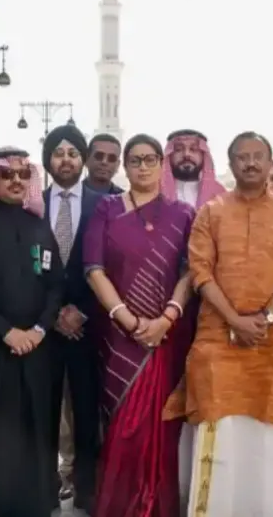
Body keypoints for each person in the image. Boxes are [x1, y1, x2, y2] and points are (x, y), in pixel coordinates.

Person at [172, 132, 273, 515]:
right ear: (231, 164)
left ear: (269, 163)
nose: (250, 163)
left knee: (271, 438)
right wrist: (234, 320)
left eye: (258, 157)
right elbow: (200, 272)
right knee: (222, 433)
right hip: (219, 342)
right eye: (242, 157)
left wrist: (263, 319)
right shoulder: (211, 212)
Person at [83, 134, 197, 516]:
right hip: (118, 335)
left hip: (166, 336)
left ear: (161, 165)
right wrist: (125, 318)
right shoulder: (106, 210)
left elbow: (189, 272)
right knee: (122, 422)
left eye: (150, 159)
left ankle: (156, 505)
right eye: (135, 160)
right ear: (126, 166)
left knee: (159, 426)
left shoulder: (182, 213)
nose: (143, 166)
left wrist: (167, 318)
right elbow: (94, 269)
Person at [0, 148, 63, 516]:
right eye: (7, 174)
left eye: (23, 174)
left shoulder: (38, 225)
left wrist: (37, 329)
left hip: (34, 349)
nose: (16, 181)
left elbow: (55, 285)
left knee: (31, 427)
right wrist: (6, 332)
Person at [41, 124, 104, 511]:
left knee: (86, 411)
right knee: (44, 412)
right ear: (48, 160)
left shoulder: (105, 204)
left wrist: (82, 311)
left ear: (83, 159)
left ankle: (87, 489)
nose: (65, 159)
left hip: (88, 326)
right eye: (58, 152)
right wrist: (52, 314)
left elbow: (111, 265)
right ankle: (43, 487)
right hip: (44, 329)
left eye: (72, 153)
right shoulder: (33, 202)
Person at [160, 128, 226, 208]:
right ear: (169, 155)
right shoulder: (154, 191)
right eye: (178, 150)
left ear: (203, 155)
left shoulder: (219, 193)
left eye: (194, 149)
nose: (186, 154)